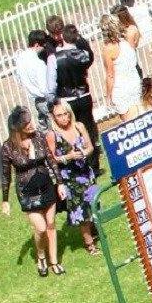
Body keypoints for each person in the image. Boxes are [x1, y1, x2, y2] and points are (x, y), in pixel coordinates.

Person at [0, 106, 61, 277]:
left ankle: (54, 261)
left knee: (50, 224)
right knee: (41, 228)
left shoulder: (39, 137)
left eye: (31, 121)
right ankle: (41, 257)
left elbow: (51, 160)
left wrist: (60, 183)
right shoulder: (8, 147)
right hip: (27, 192)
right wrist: (5, 200)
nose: (32, 124)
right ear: (18, 127)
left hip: (46, 186)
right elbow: (5, 176)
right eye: (27, 123)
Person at [46, 98, 100, 259]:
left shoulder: (79, 126)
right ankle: (89, 243)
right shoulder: (53, 135)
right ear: (53, 118)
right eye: (59, 116)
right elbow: (51, 158)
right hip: (70, 178)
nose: (64, 118)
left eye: (65, 114)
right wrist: (68, 156)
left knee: (93, 203)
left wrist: (84, 152)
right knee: (81, 211)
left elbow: (90, 146)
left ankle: (94, 230)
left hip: (85, 172)